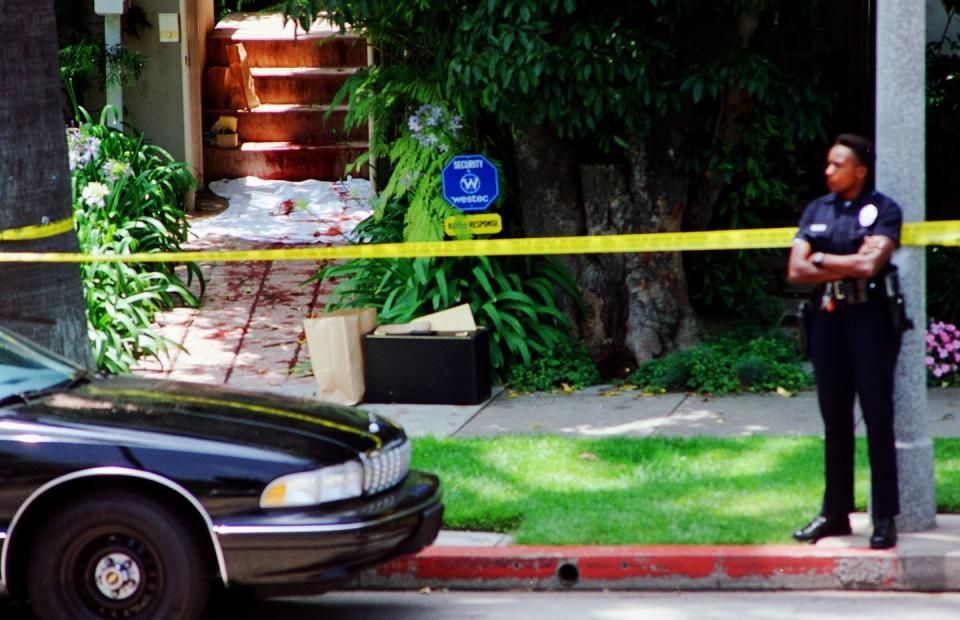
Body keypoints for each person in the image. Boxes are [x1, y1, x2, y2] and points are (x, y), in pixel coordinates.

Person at [786, 133, 906, 550]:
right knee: (834, 420)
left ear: (860, 170)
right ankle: (834, 513)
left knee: (877, 418)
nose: (828, 171)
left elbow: (872, 264)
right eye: (828, 163)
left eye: (838, 164)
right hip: (828, 321)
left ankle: (884, 517)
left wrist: (819, 257)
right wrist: (838, 263)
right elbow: (796, 271)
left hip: (870, 320)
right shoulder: (817, 209)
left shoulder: (884, 209)